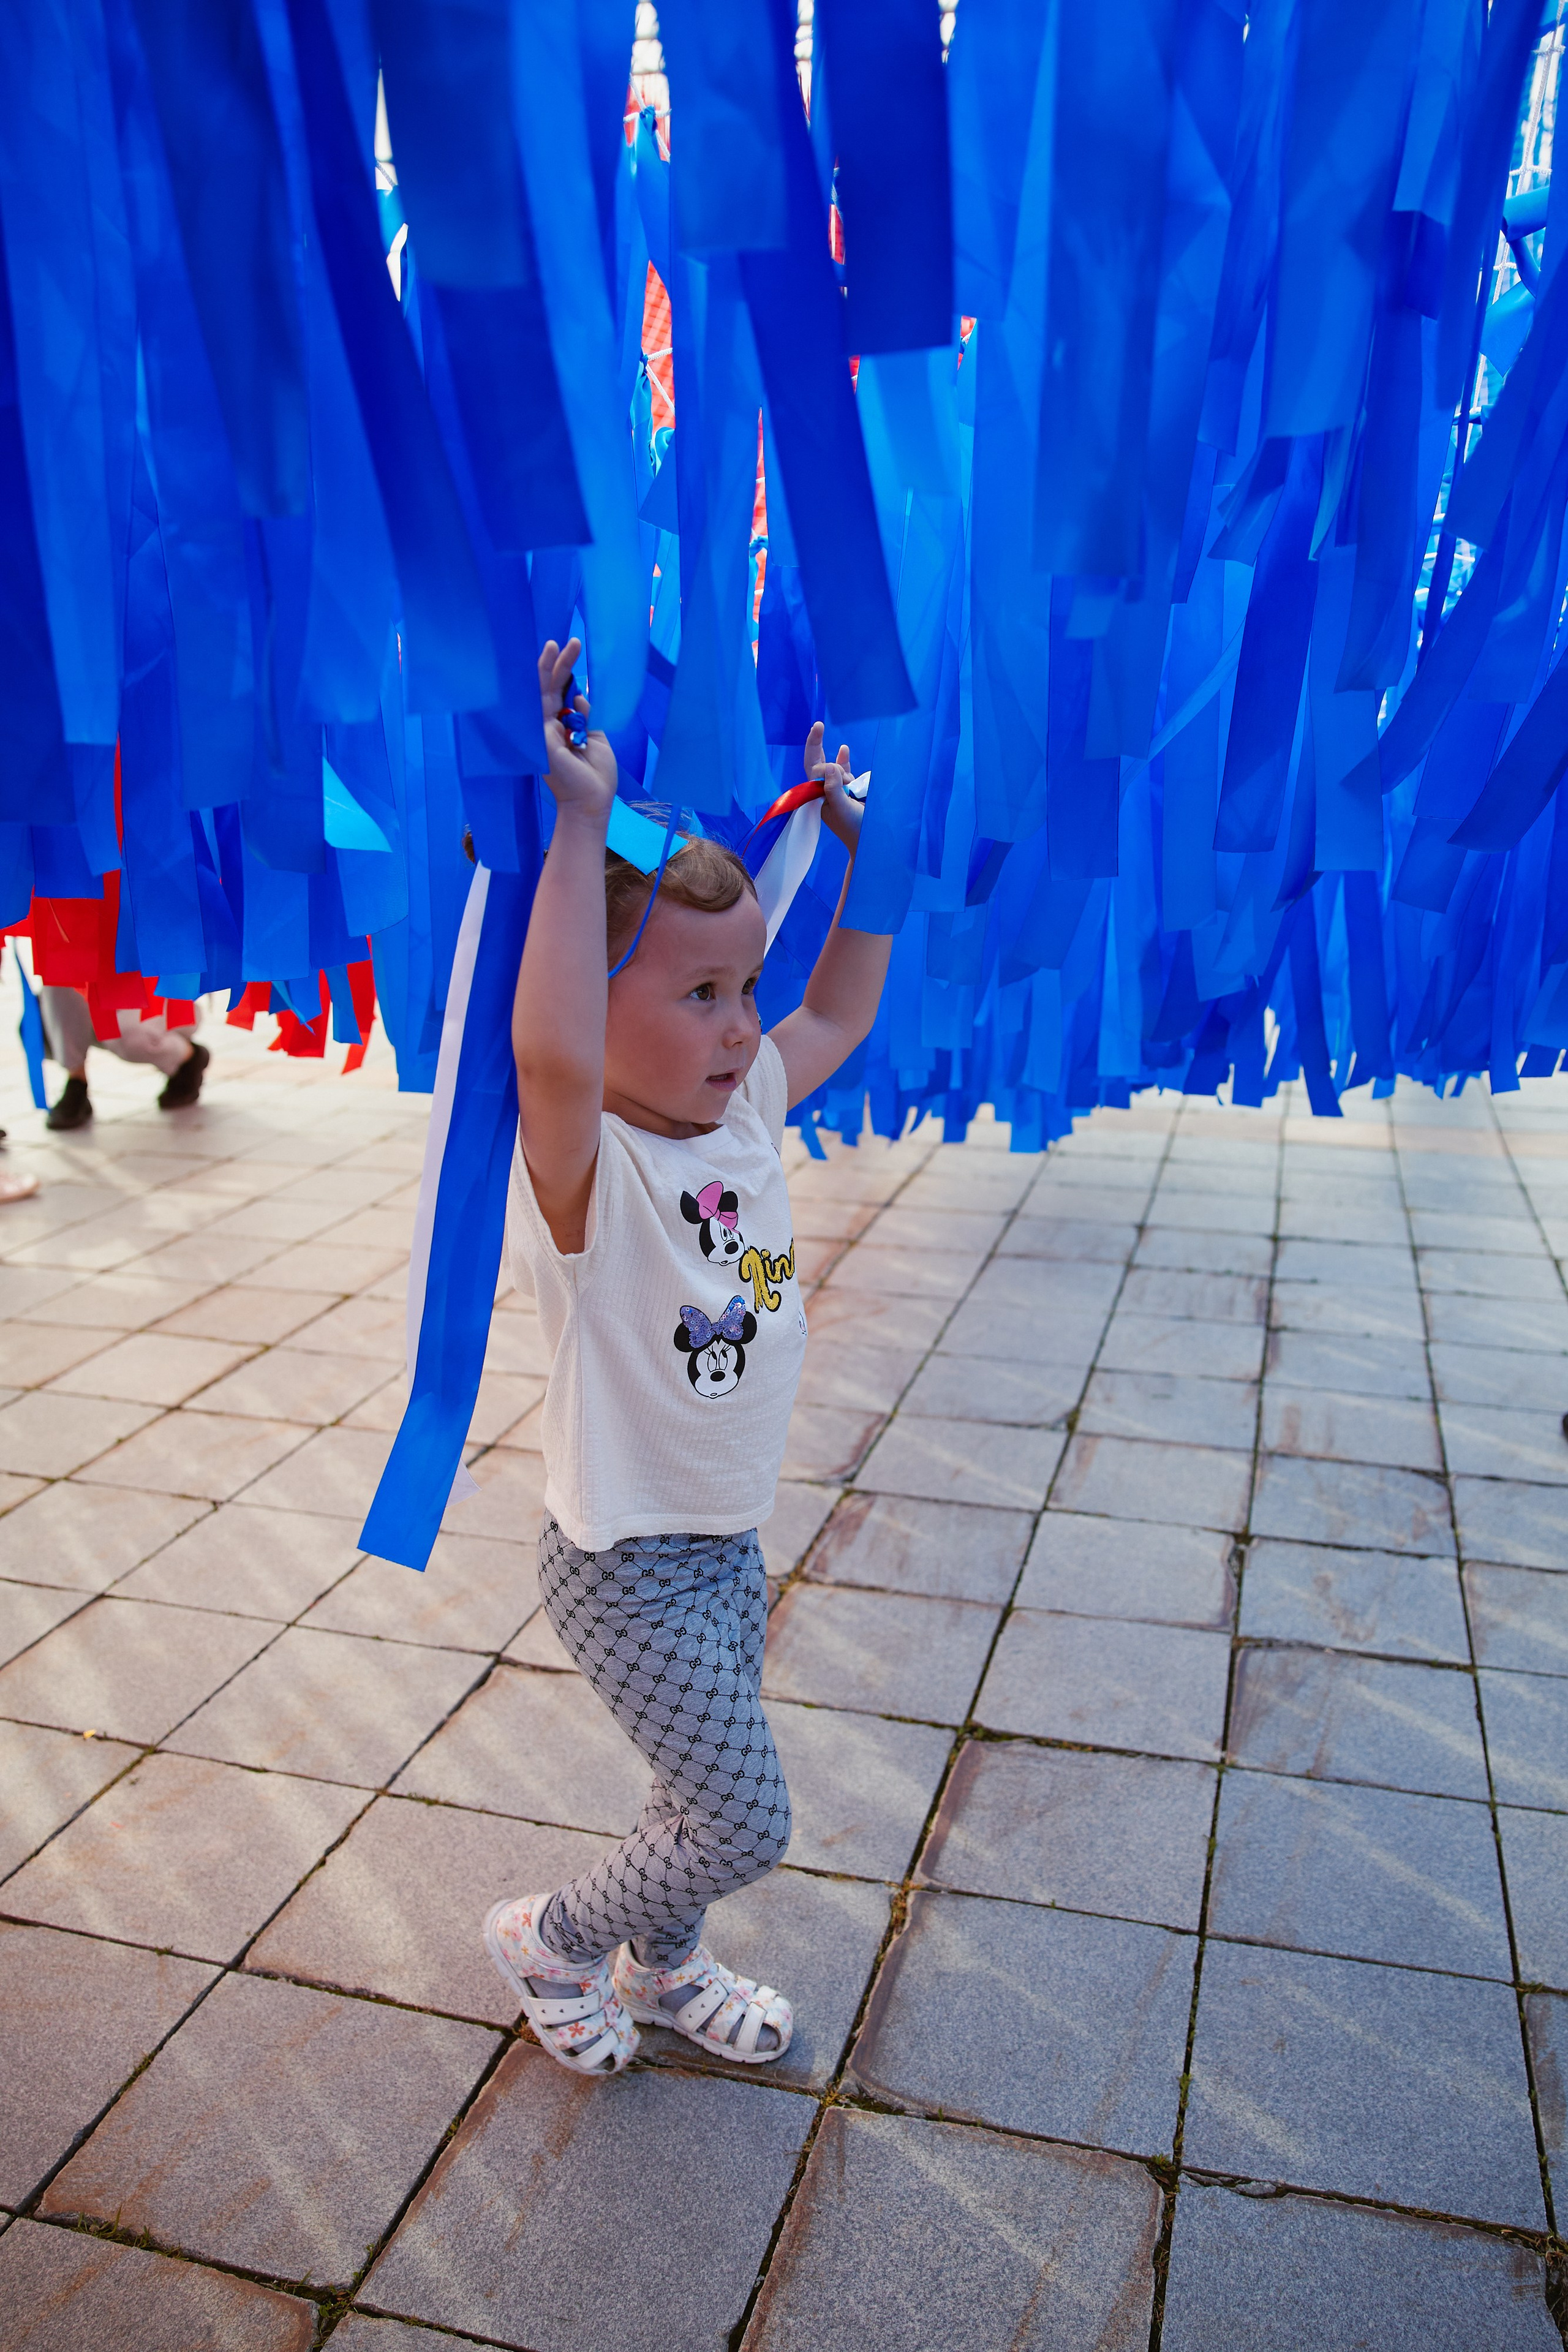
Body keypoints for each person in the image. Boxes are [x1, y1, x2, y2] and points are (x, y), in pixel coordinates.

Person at [485, 638, 891, 2075]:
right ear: (601, 1013)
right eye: (699, 994)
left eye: (741, 987)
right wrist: (584, 822)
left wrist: (872, 856)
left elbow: (836, 1007)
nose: (739, 1025)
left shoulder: (746, 1106)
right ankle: (553, 1938)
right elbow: (544, 1054)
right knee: (740, 1814)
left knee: (689, 1786)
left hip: (723, 1541)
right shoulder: (592, 1177)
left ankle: (665, 1964)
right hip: (621, 1559)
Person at [42, 988, 209, 1129]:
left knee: (130, 1038)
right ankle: (76, 1080)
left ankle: (190, 1057)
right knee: (39, 1027)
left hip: (156, 991)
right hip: (96, 992)